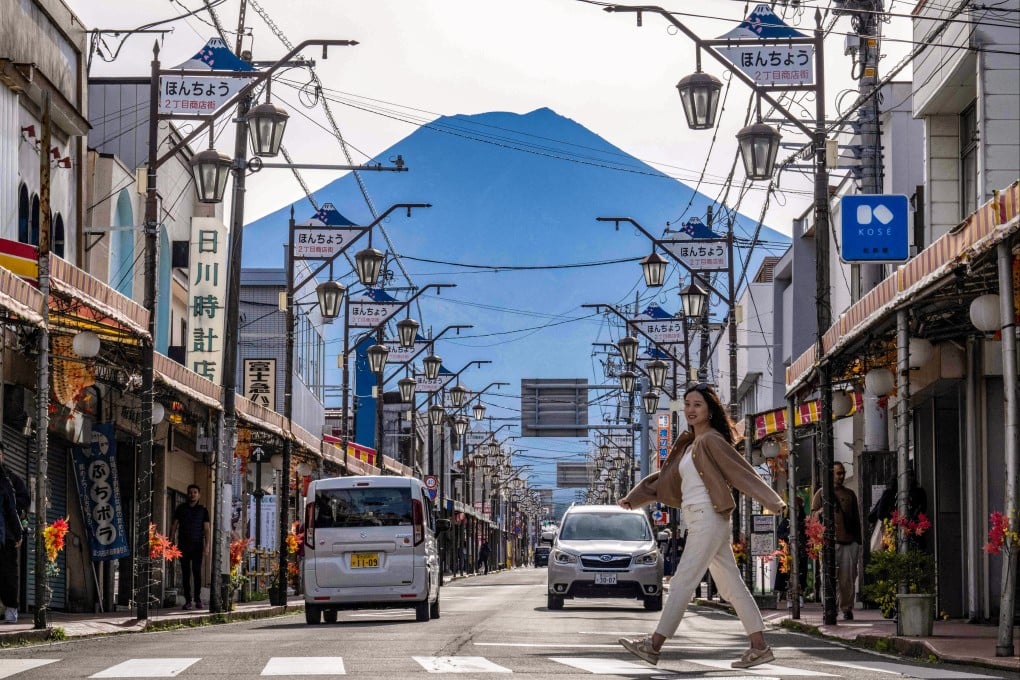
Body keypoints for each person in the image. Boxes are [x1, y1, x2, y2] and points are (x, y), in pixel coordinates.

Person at [617, 383, 786, 669]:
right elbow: (666, 478)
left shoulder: (711, 440)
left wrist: (773, 501)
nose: (690, 410)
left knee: (683, 581)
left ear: (709, 410)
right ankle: (760, 647)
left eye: (697, 404)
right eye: (687, 404)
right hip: (699, 518)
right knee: (731, 586)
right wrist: (635, 498)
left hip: (708, 516)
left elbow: (741, 471)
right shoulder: (690, 444)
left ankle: (653, 645)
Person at [811, 462, 862, 620]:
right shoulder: (821, 493)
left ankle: (847, 608)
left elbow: (857, 519)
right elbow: (812, 518)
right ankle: (829, 607)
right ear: (831, 474)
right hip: (829, 542)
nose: (841, 476)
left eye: (843, 473)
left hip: (849, 541)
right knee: (828, 576)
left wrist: (858, 542)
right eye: (838, 473)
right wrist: (821, 512)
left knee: (848, 578)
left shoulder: (850, 494)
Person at [0, 443, 30, 624]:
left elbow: (16, 506)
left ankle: (11, 610)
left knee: (8, 574)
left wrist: (18, 533)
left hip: (7, 535)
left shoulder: (9, 479)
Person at [171, 484, 210, 610]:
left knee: (197, 572)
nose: (192, 494)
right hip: (183, 545)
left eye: (195, 492)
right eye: (190, 492)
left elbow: (207, 529)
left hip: (197, 546)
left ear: (199, 495)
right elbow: (174, 526)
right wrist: (171, 542)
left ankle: (198, 599)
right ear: (187, 494)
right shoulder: (181, 508)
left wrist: (207, 545)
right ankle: (188, 600)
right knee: (185, 573)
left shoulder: (203, 510)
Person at [774, 496, 807, 607]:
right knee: (787, 575)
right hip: (788, 552)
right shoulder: (785, 521)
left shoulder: (804, 521)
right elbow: (779, 533)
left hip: (801, 552)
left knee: (801, 575)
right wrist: (788, 536)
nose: (795, 511)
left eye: (797, 509)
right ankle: (789, 598)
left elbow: (808, 534)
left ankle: (800, 597)